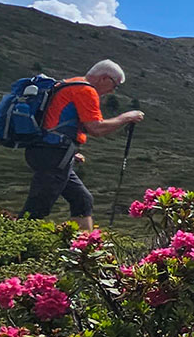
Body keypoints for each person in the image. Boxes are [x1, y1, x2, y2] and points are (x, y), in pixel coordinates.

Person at [21, 59, 144, 230]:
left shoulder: (69, 84)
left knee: (82, 199)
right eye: (114, 85)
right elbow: (96, 128)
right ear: (104, 78)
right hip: (54, 155)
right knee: (37, 206)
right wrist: (127, 117)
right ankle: (13, 248)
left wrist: (69, 152)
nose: (112, 91)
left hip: (49, 152)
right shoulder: (85, 90)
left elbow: (55, 122)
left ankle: (85, 248)